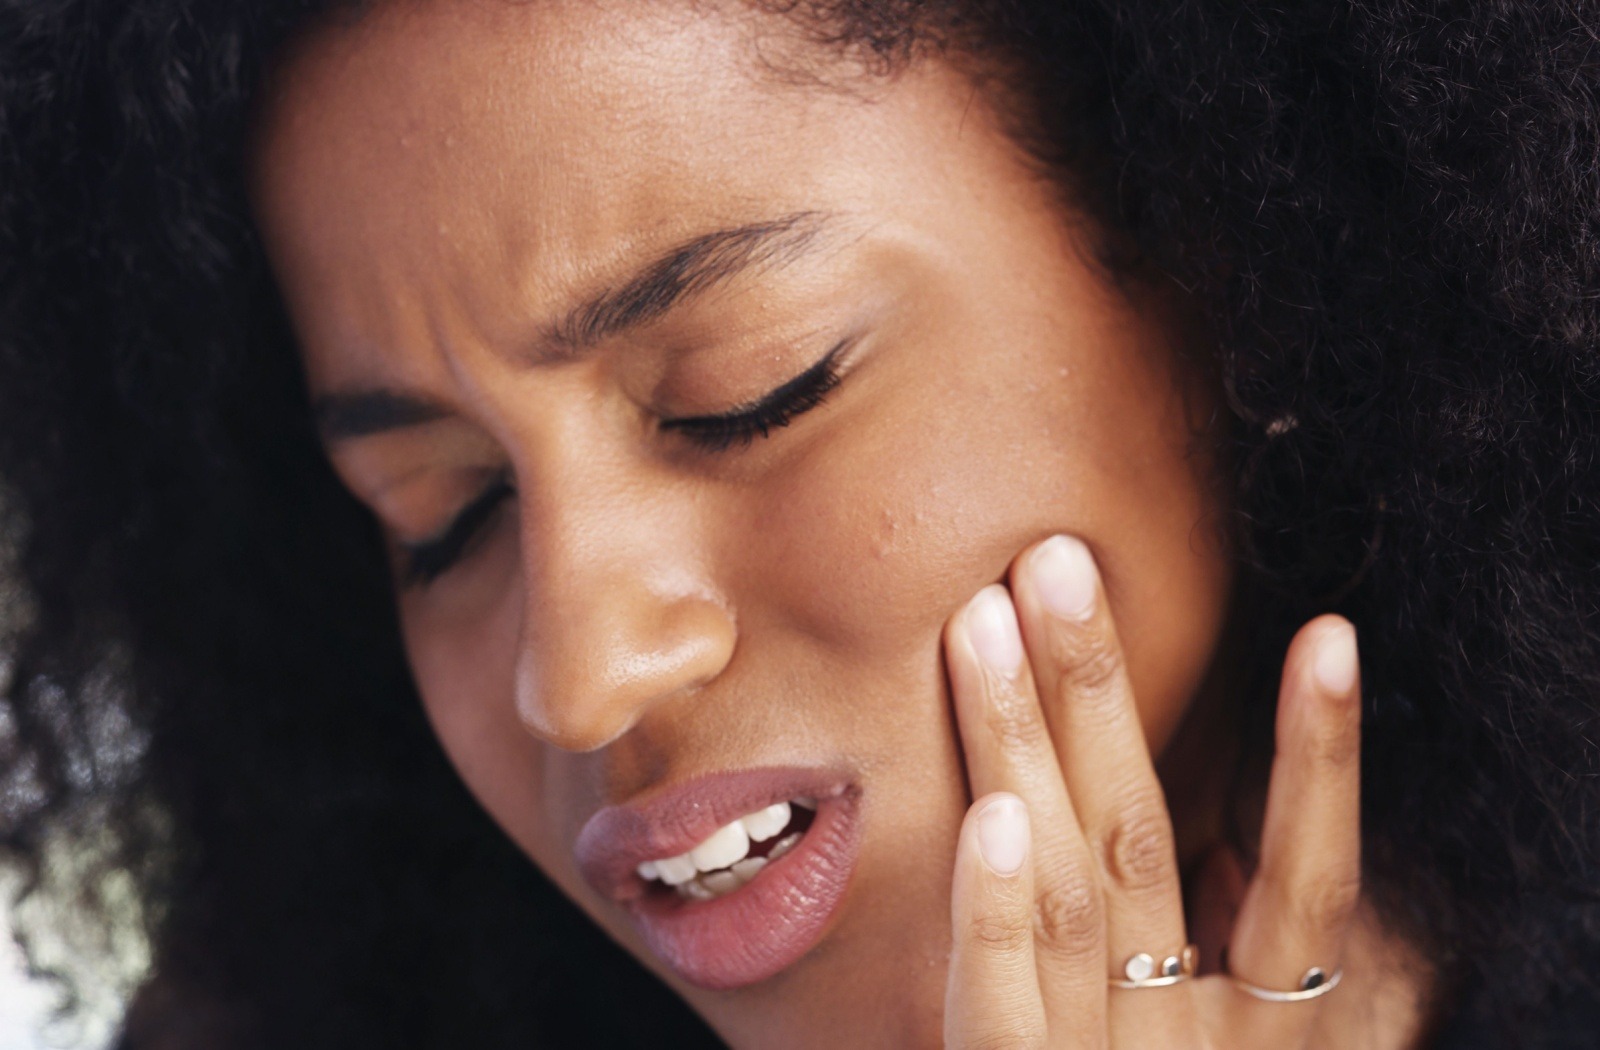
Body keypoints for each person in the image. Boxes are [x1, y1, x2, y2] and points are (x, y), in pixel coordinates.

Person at [1, 1, 1595, 1046]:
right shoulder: (298, 1010)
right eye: (443, 516)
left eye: (744, 394)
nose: (583, 673)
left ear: (1239, 240)